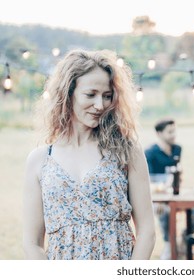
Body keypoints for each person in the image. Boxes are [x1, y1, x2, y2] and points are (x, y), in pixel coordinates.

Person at [22, 49, 155, 260]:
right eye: (90, 94)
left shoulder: (127, 151)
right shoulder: (40, 160)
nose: (100, 105)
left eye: (107, 96)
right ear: (68, 93)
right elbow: (32, 243)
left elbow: (147, 231)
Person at [145, 119, 194, 259]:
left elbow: (178, 174)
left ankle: (184, 238)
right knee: (165, 211)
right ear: (159, 133)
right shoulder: (150, 153)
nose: (174, 135)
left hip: (176, 194)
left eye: (175, 131)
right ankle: (170, 244)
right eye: (170, 132)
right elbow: (148, 182)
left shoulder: (177, 149)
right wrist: (160, 199)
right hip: (157, 199)